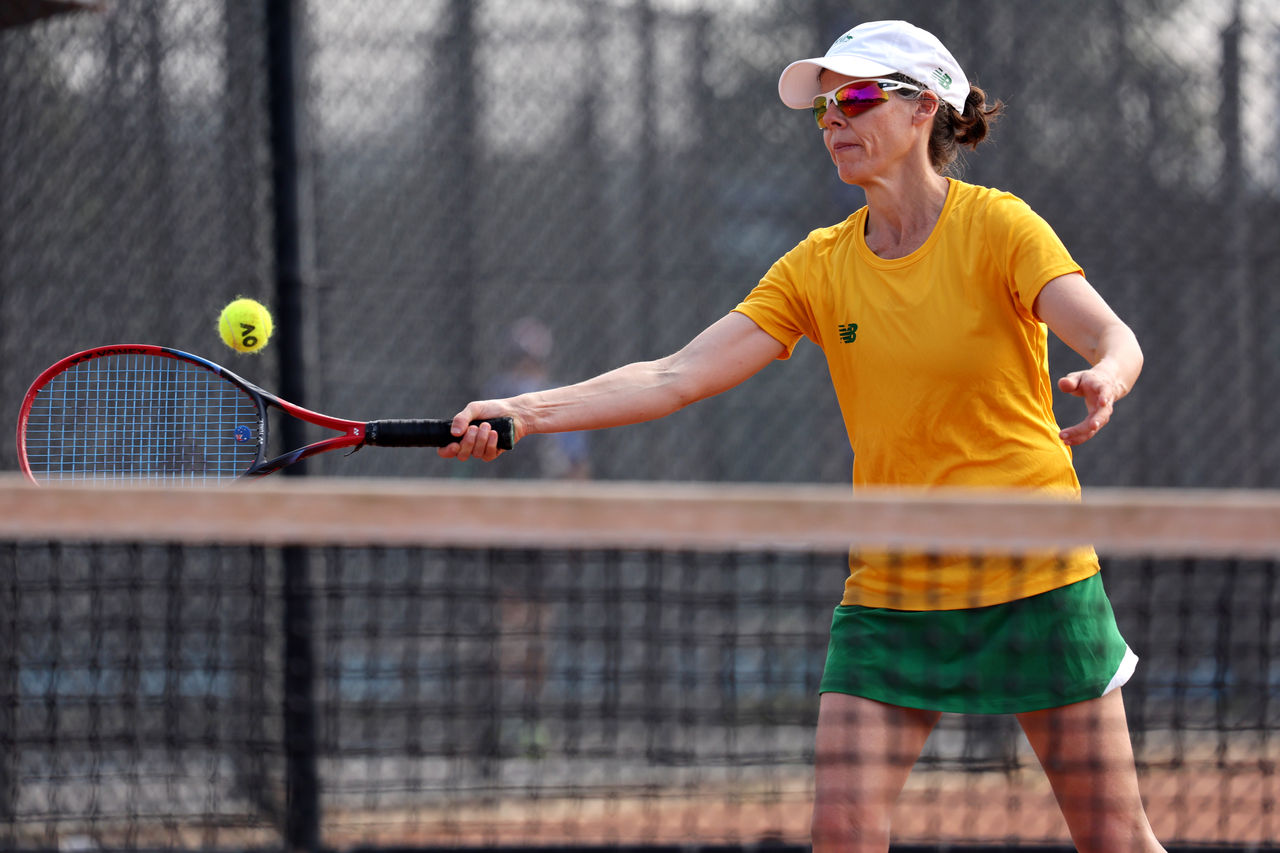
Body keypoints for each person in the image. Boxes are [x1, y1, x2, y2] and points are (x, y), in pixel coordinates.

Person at [439, 19, 1159, 853]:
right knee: (842, 834)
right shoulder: (817, 266)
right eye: (824, 108)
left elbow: (1115, 335)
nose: (833, 122)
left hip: (1035, 574)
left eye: (855, 98)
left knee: (1115, 840)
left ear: (925, 107)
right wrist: (525, 413)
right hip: (893, 592)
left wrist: (1107, 373)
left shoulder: (1001, 229)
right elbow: (675, 375)